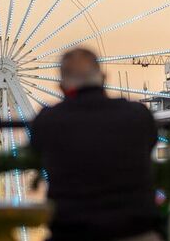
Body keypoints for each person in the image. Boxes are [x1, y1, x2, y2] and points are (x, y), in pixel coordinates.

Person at [30, 48, 161, 241]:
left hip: (72, 232)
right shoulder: (138, 115)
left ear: (62, 87)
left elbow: (37, 152)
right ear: (104, 78)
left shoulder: (48, 121)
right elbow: (150, 143)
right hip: (135, 230)